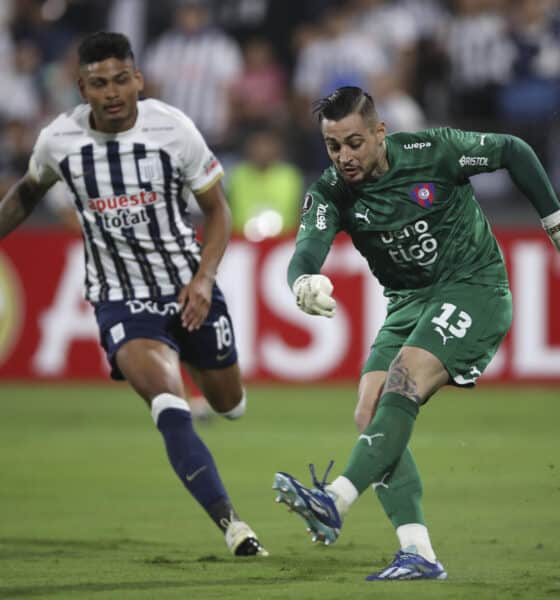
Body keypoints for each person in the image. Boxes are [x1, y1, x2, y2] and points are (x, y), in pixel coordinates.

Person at [272, 86, 560, 580]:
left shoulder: (435, 151)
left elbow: (513, 150)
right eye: (333, 146)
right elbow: (308, 247)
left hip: (474, 288)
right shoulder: (330, 191)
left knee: (404, 378)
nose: (345, 157)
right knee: (369, 412)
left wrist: (554, 221)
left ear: (381, 133)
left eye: (355, 143)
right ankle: (419, 553)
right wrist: (302, 280)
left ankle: (335, 499)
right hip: (407, 305)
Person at [0, 31, 267, 557]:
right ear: (81, 87)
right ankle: (233, 524)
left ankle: (202, 374)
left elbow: (217, 211)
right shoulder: (59, 140)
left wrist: (205, 278)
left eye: (121, 79)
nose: (113, 92)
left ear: (138, 79)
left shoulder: (174, 129)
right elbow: (27, 193)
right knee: (169, 404)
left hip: (189, 286)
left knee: (228, 403)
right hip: (120, 298)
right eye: (99, 83)